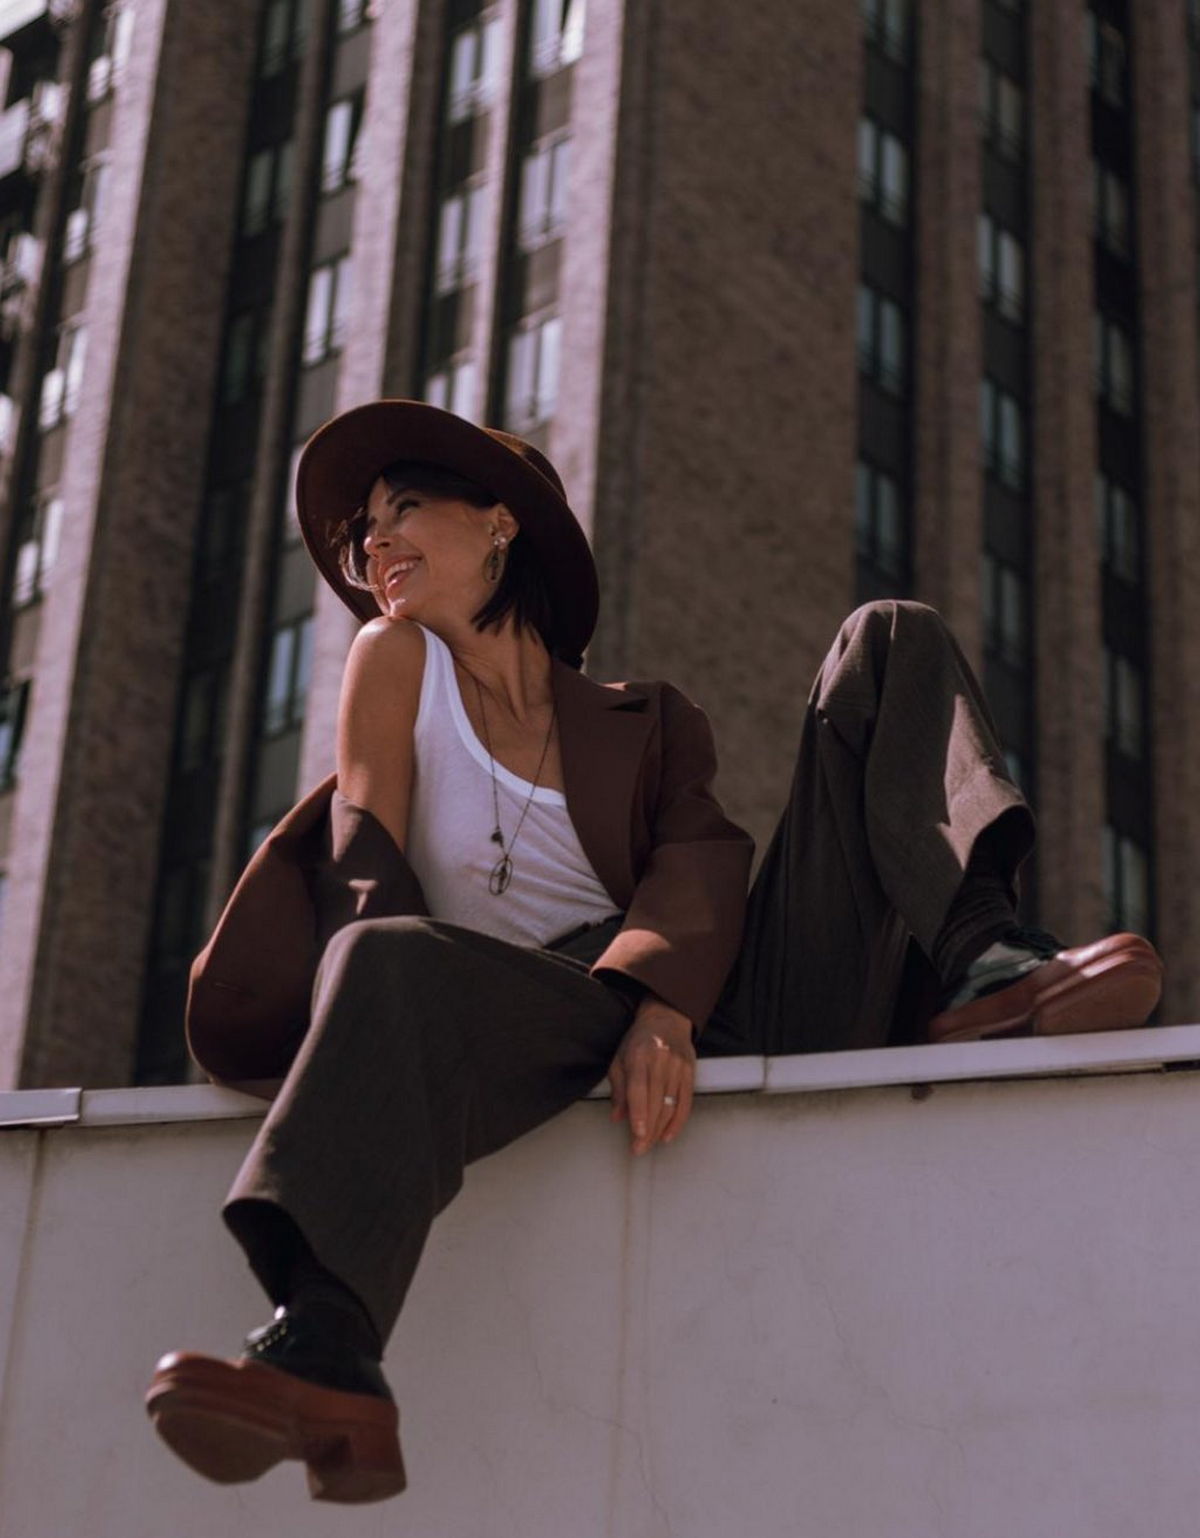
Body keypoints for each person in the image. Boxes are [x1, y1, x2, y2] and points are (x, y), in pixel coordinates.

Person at [145, 400, 1164, 1504]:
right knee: (382, 950)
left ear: (500, 524)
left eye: (405, 509)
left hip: (712, 999)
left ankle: (986, 962)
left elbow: (703, 856)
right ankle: (326, 1347)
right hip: (515, 1009)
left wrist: (665, 1008)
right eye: (362, 534)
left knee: (888, 632)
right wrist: (359, 1044)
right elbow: (363, 868)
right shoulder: (394, 661)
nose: (374, 541)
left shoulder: (648, 718)